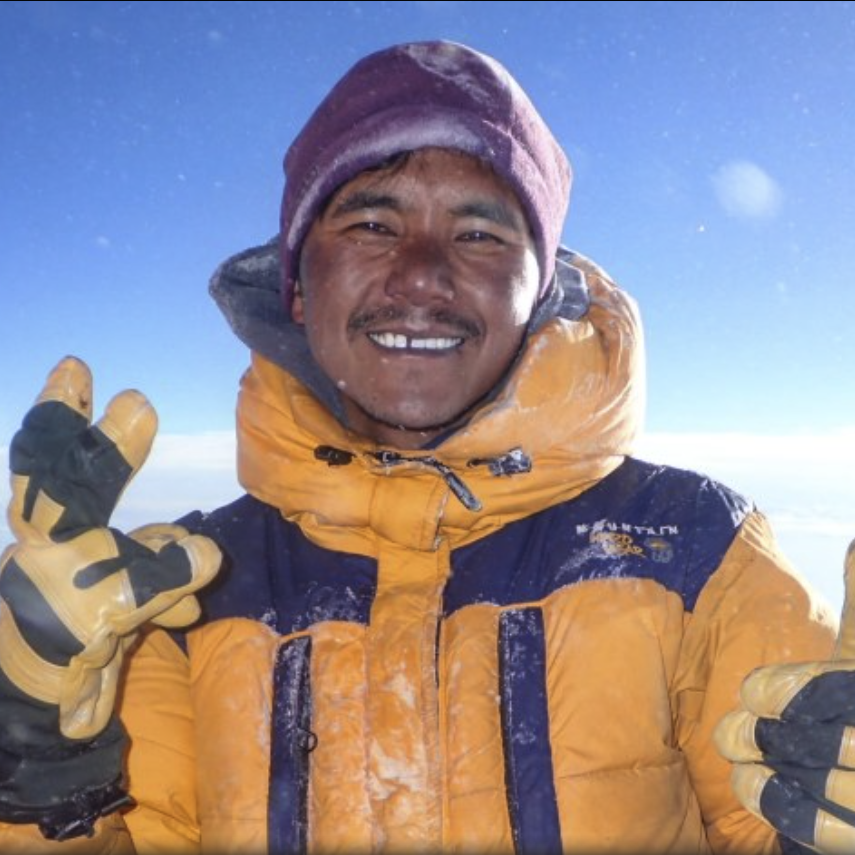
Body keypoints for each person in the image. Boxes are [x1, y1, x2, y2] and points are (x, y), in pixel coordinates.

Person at [0, 38, 853, 855]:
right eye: (371, 223)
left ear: (539, 290)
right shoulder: (187, 590)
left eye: (480, 234)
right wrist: (36, 758)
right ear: (298, 289)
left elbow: (780, 820)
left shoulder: (696, 548)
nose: (420, 275)